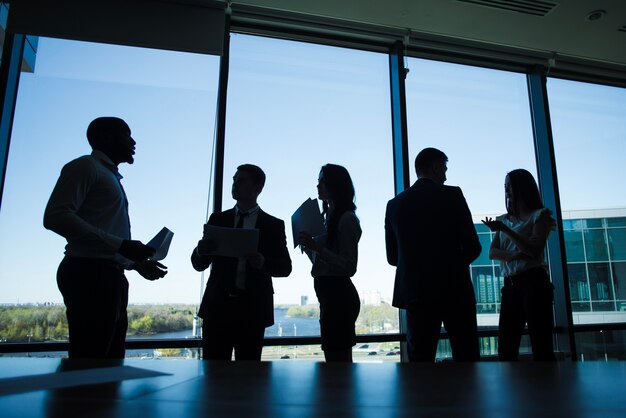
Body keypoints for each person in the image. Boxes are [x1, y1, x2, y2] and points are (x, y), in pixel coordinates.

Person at [44, 117, 167, 359]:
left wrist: (135, 264)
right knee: (92, 357)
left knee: (108, 356)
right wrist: (122, 245)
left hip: (107, 275)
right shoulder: (85, 167)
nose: (133, 142)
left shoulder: (105, 175)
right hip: (90, 275)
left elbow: (104, 232)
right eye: (127, 134)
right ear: (105, 138)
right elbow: (56, 217)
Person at [385, 147, 481, 362]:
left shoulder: (394, 205)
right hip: (454, 289)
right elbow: (474, 247)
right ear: (436, 167)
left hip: (416, 293)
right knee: (466, 358)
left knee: (420, 361)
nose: (446, 176)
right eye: (444, 169)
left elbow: (393, 257)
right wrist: (451, 265)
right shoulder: (453, 195)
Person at [191, 164, 292, 361]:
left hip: (252, 311)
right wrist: (200, 251)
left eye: (241, 181)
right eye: (234, 180)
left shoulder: (273, 225)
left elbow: (285, 267)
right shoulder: (218, 219)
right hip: (217, 308)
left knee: (250, 377)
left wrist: (263, 263)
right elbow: (199, 264)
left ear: (257, 188)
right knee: (213, 376)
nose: (235, 184)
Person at [482, 169, 556, 361]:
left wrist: (505, 230)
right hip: (511, 285)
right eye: (505, 186)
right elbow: (492, 253)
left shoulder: (540, 215)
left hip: (534, 283)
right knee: (506, 346)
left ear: (522, 187)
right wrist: (516, 254)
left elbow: (533, 250)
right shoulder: (504, 220)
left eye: (510, 185)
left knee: (541, 344)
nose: (506, 190)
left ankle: (546, 387)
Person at [298, 164, 361, 362]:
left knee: (337, 363)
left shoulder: (346, 219)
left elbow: (349, 266)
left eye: (322, 181)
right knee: (336, 362)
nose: (318, 186)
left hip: (338, 297)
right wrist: (309, 247)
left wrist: (317, 248)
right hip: (330, 296)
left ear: (335, 185)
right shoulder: (327, 219)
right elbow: (321, 264)